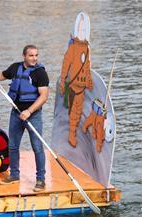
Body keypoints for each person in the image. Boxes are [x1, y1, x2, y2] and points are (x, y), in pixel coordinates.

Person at [0, 45, 49, 192]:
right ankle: (14, 175)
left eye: (36, 55)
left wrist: (29, 111)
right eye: (31, 56)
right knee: (13, 146)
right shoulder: (15, 68)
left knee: (37, 147)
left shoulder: (40, 73)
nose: (34, 58)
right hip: (16, 114)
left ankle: (40, 180)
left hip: (33, 115)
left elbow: (44, 96)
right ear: (24, 56)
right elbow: (2, 75)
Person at [60, 12, 93, 148]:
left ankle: (74, 132)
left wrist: (89, 80)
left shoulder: (87, 48)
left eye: (84, 29)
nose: (82, 31)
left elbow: (87, 66)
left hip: (82, 86)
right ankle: (71, 134)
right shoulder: (73, 47)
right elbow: (66, 63)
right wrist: (62, 80)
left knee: (78, 112)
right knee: (72, 111)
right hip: (73, 85)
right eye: (80, 29)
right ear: (76, 30)